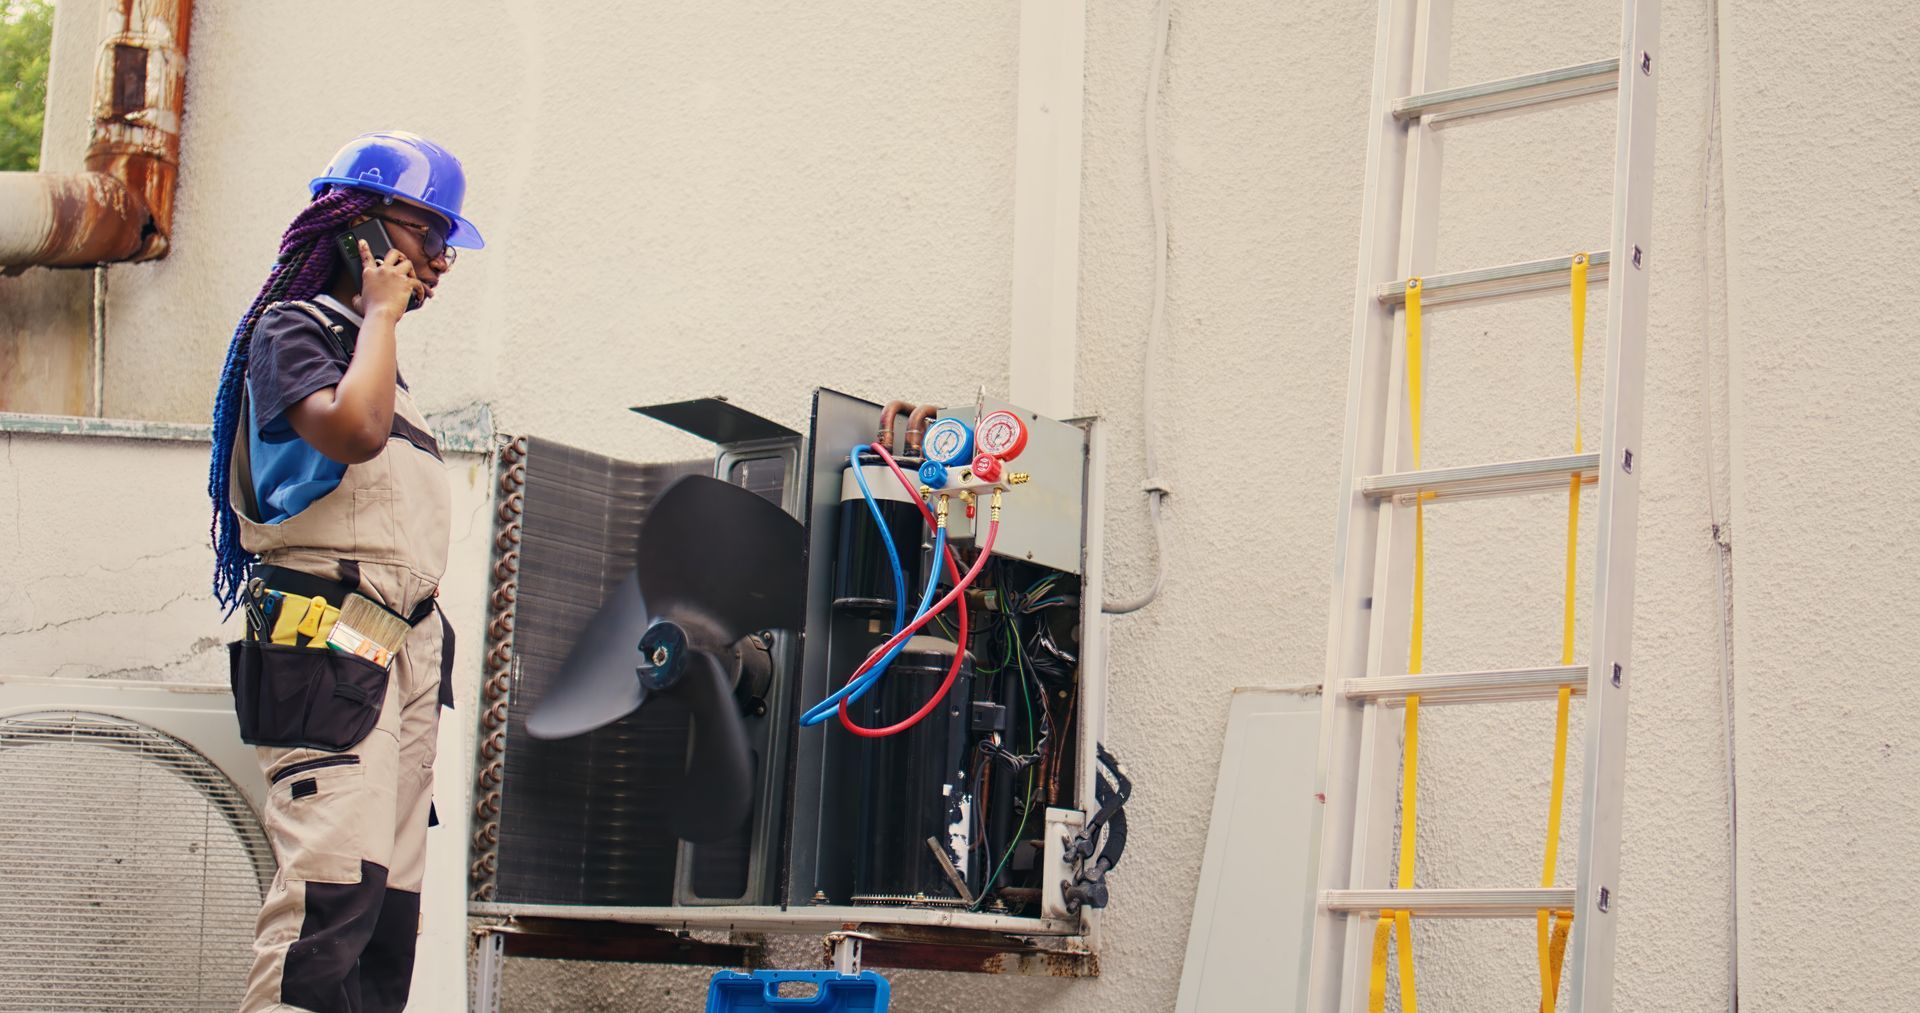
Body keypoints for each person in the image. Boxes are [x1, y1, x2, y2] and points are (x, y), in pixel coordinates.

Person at [207, 130, 482, 1012]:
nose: (438, 260)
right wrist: (383, 315)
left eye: (447, 244)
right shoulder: (295, 330)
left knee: (384, 923)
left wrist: (380, 330)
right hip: (328, 654)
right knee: (325, 902)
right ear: (358, 225)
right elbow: (351, 434)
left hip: (396, 661)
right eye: (425, 232)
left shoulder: (379, 363)